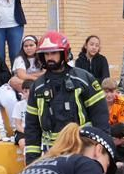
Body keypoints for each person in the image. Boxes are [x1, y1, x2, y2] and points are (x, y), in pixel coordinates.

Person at [22, 31, 109, 163]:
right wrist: (31, 160)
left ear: (64, 53)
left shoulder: (83, 79)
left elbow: (100, 116)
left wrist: (101, 150)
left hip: (83, 149)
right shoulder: (37, 87)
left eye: (54, 53)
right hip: (52, 153)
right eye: (46, 54)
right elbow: (32, 127)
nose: (49, 57)